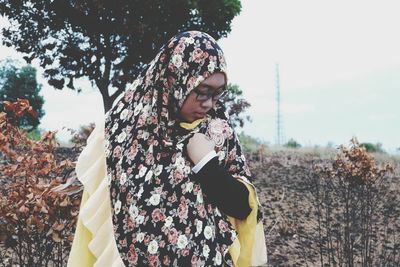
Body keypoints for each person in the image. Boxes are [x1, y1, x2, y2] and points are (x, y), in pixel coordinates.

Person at [67, 30, 267, 267]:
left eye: (217, 94)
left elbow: (243, 207)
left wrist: (207, 165)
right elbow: (103, 216)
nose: (209, 103)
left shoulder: (217, 131)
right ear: (175, 78)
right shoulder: (123, 132)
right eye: (202, 92)